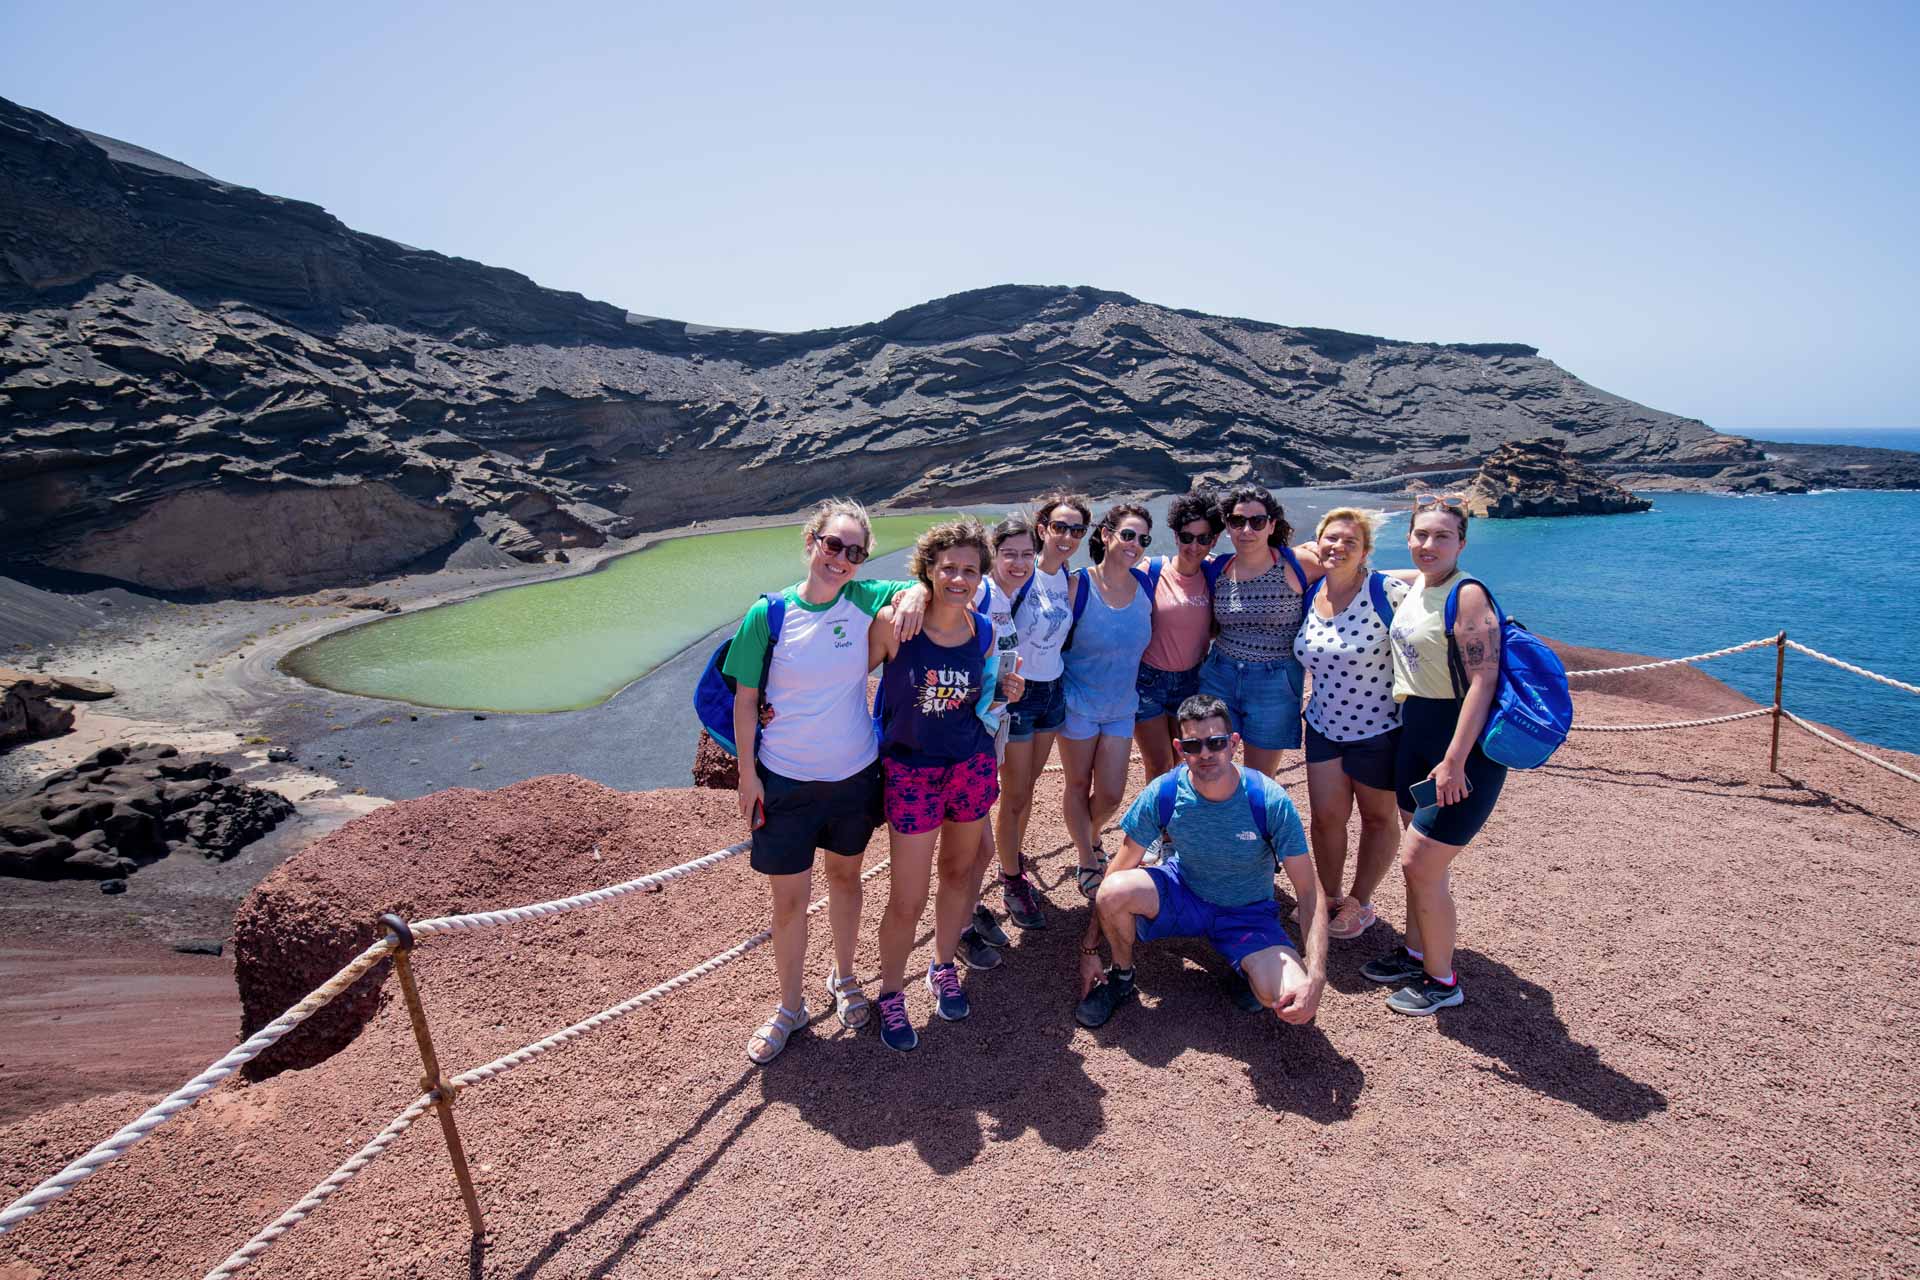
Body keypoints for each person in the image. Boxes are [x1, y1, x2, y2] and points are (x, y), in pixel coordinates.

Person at [725, 499, 926, 1064]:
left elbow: (919, 588)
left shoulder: (862, 599)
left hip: (853, 778)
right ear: (811, 541)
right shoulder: (767, 616)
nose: (842, 559)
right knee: (788, 902)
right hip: (785, 781)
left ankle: (844, 978)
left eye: (855, 552)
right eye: (834, 545)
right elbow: (744, 701)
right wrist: (748, 775)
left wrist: (911, 593)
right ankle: (790, 1007)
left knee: (846, 880)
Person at [1075, 694, 1327, 1028]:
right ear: (1180, 748)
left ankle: (1246, 966)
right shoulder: (1165, 792)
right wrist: (1089, 948)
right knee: (1114, 892)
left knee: (1291, 999)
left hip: (1246, 913)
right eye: (1194, 746)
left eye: (1216, 742)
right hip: (1186, 893)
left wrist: (1317, 975)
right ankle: (1121, 977)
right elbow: (1117, 870)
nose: (1205, 754)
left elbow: (1309, 891)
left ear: (1233, 744)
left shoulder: (1268, 800)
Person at [867, 518, 1021, 1052]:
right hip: (912, 772)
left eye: (969, 570)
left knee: (958, 873)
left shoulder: (983, 630)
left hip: (970, 765)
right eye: (947, 568)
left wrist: (1007, 689)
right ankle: (890, 992)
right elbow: (840, 677)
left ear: (981, 576)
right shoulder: (896, 624)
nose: (958, 578)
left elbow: (986, 700)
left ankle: (941, 965)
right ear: (928, 569)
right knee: (906, 896)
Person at [1361, 496, 1508, 1015]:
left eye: (1441, 536)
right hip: (1416, 732)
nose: (1428, 544)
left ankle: (1443, 982)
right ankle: (1417, 951)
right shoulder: (1419, 585)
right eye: (1421, 534)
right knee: (1418, 862)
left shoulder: (1468, 595)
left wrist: (1453, 761)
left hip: (1459, 747)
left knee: (1421, 861)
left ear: (1462, 543)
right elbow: (1362, 565)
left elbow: (1484, 680)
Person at [1292, 508, 1412, 941]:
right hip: (1324, 726)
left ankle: (1359, 903)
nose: (1338, 547)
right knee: (1325, 818)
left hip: (1378, 730)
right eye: (1330, 538)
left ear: (1365, 552)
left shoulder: (1386, 592)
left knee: (1378, 819)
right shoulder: (1312, 592)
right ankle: (1328, 897)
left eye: (1350, 542)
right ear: (1317, 541)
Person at [992, 491, 1088, 930]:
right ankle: (1011, 878)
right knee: (1013, 795)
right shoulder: (1018, 577)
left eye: (1076, 529)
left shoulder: (1067, 576)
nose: (1067, 536)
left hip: (1053, 693)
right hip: (1019, 695)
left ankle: (1011, 854)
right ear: (1043, 527)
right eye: (1059, 527)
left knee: (1025, 790)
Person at [952, 514, 1040, 970]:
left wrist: (1010, 687)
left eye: (1027, 554)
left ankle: (965, 912)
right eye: (1010, 553)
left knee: (979, 843)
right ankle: (959, 928)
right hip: (969, 734)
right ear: (993, 553)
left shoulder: (1008, 595)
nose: (1019, 562)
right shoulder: (982, 591)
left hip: (991, 725)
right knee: (976, 845)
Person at [1059, 503, 1154, 898]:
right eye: (1128, 535)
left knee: (1112, 793)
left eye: (1143, 539)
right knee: (1078, 784)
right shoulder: (1079, 585)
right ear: (1106, 535)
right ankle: (1086, 856)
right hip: (1078, 703)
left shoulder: (1145, 584)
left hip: (1121, 707)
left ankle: (1089, 833)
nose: (1135, 545)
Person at [1196, 485, 1323, 776]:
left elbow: (1350, 573)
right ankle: (1215, 821)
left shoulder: (1298, 564)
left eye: (1257, 521)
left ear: (1272, 525)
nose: (1247, 530)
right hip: (1220, 674)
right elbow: (1181, 574)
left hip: (1275, 681)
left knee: (1259, 777)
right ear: (1228, 525)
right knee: (1209, 766)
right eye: (1238, 521)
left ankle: (1251, 823)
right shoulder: (1218, 566)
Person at [1133, 490, 1223, 782]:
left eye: (1203, 538)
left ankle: (1176, 825)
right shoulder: (1151, 571)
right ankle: (1158, 827)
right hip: (1148, 681)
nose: (1194, 546)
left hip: (1191, 681)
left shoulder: (1215, 575)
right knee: (1159, 765)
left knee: (1184, 761)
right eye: (1187, 537)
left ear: (1214, 540)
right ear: (1175, 535)